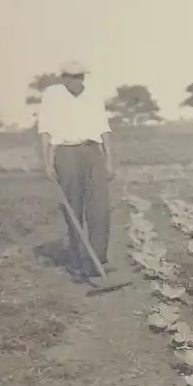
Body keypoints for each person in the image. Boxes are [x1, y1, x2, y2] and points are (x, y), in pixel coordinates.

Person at [37, 60, 115, 278]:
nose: (75, 80)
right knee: (72, 206)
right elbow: (45, 130)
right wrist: (47, 162)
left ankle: (97, 260)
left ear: (83, 77)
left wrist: (109, 160)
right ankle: (78, 259)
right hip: (65, 152)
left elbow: (104, 128)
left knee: (100, 207)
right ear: (63, 77)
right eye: (71, 76)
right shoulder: (52, 95)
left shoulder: (94, 95)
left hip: (92, 152)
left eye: (79, 76)